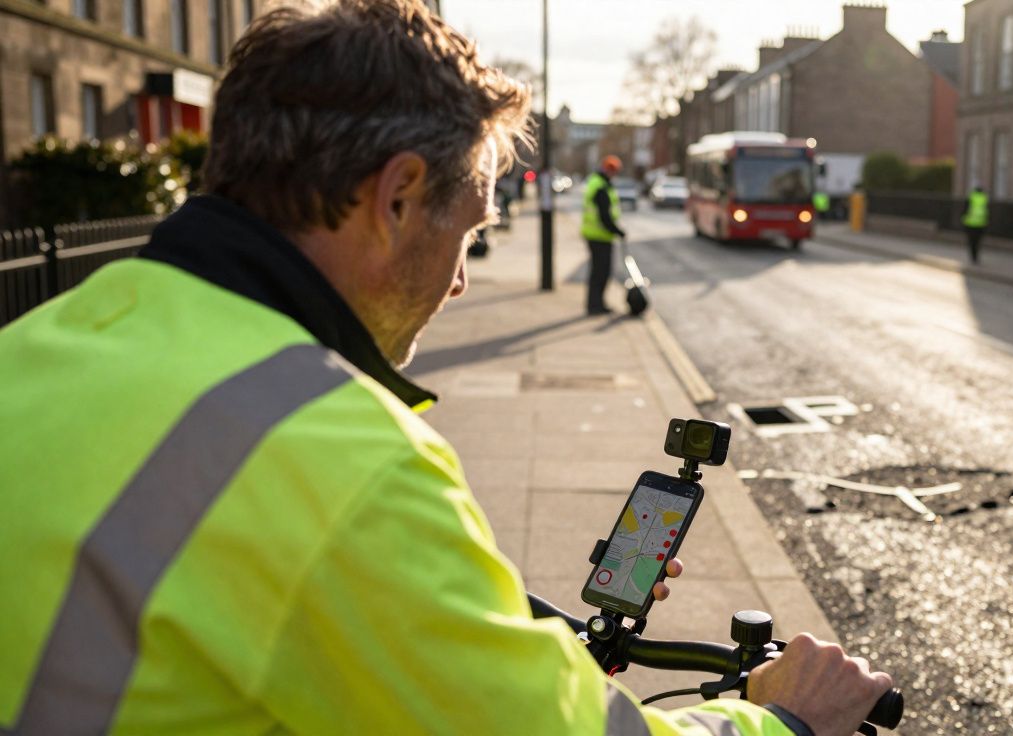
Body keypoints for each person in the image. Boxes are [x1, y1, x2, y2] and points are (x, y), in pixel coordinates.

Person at [0, 2, 893, 734]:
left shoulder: (43, 337)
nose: (464, 279)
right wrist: (785, 722)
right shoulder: (338, 454)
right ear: (394, 200)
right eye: (469, 230)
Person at [582, 155, 626, 315]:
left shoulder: (597, 182)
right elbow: (604, 216)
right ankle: (595, 305)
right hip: (599, 236)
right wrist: (617, 231)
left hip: (596, 235)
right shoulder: (601, 187)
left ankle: (596, 303)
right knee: (601, 273)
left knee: (598, 272)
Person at [962, 185, 989, 264]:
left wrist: (963, 220)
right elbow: (987, 211)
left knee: (971, 242)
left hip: (970, 223)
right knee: (978, 241)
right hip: (981, 223)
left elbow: (965, 210)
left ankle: (973, 257)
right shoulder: (984, 198)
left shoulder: (970, 197)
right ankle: (977, 257)